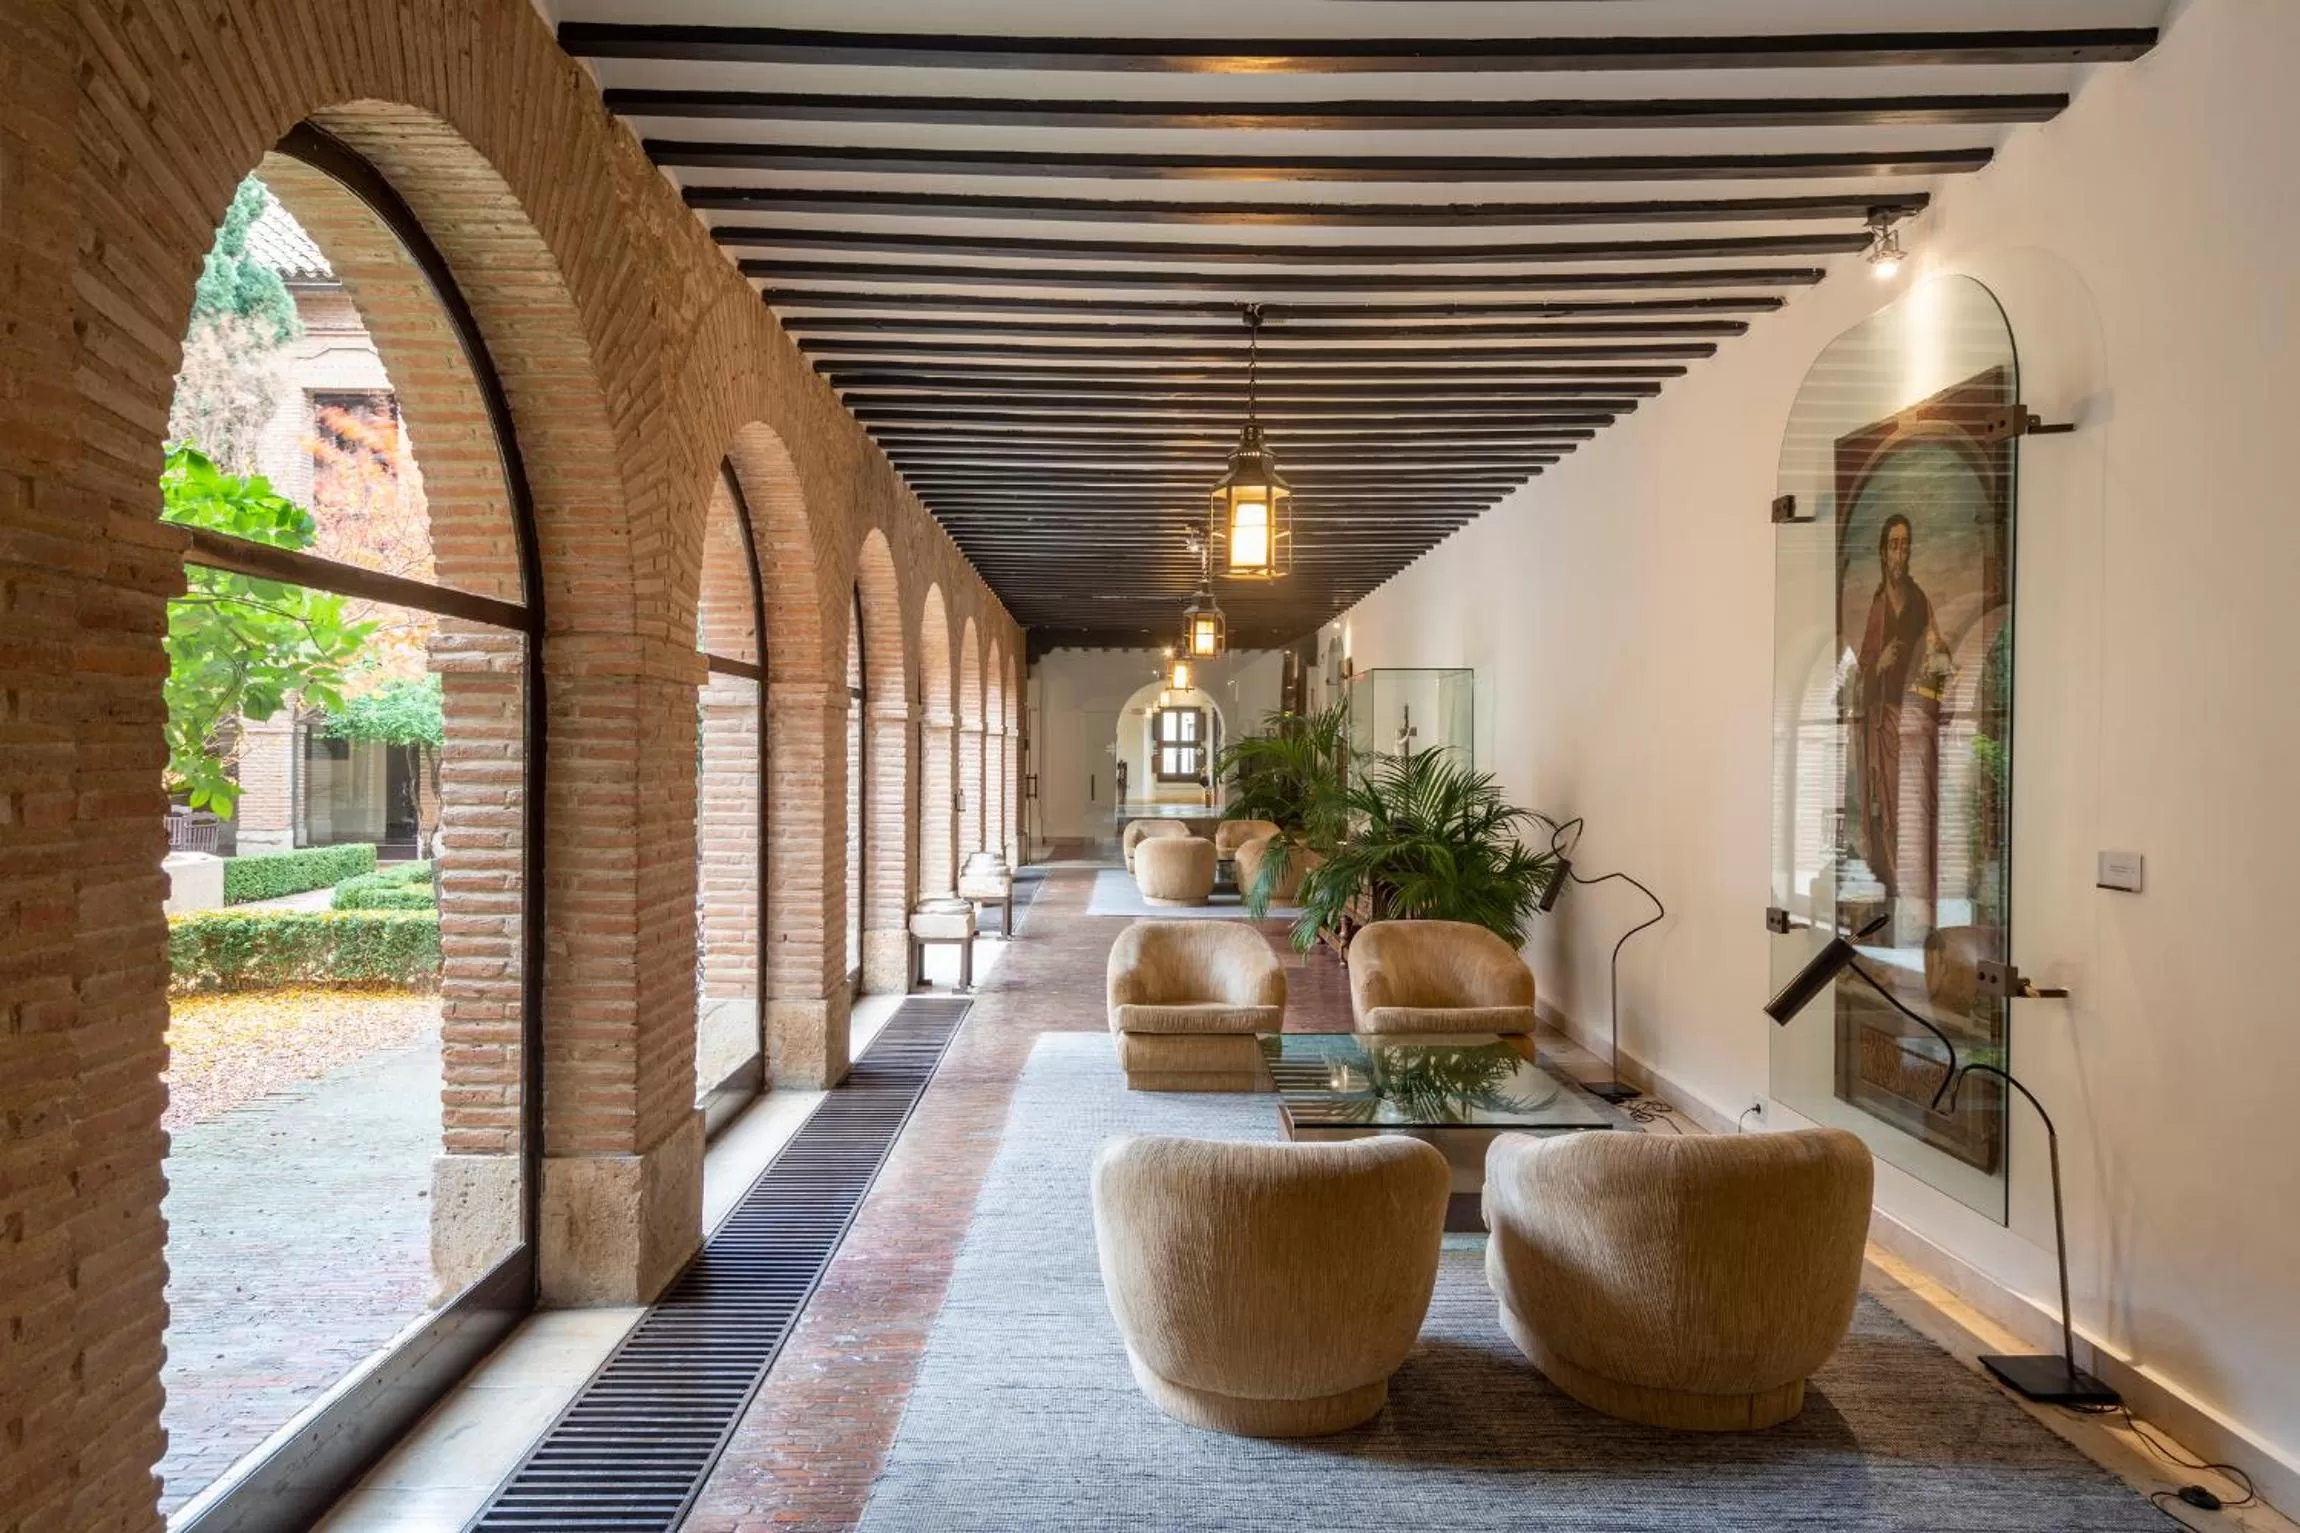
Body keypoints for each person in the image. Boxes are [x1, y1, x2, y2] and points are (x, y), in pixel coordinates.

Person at [1851, 513, 1949, 899]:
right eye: (1894, 544)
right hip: (1885, 723)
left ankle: (1916, 889)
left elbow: (1937, 652)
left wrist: (1933, 669)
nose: (1900, 552)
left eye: (1905, 544)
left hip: (1913, 718)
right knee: (1889, 809)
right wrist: (1879, 665)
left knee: (1915, 805)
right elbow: (1861, 673)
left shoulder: (1919, 600)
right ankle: (1894, 887)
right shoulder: (1878, 606)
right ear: (1883, 552)